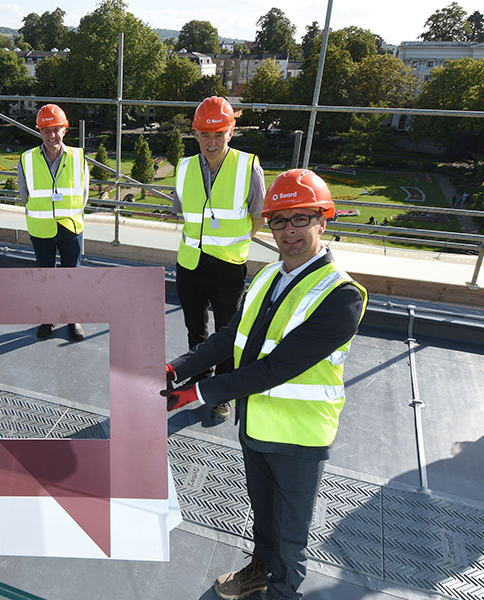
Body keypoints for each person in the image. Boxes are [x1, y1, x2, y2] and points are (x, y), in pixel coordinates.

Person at [163, 169, 367, 600]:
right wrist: (176, 368)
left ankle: (283, 592)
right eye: (279, 220)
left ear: (323, 219)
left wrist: (197, 393)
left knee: (291, 532)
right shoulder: (266, 278)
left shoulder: (341, 296)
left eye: (301, 218)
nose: (289, 231)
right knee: (263, 515)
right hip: (256, 424)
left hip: (298, 434)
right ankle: (260, 570)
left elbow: (275, 368)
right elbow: (228, 338)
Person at [171, 96, 266, 422]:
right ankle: (199, 381)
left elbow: (258, 215)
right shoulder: (184, 167)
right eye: (205, 135)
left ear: (231, 132)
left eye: (219, 135)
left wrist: (234, 242)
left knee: (228, 334)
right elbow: (182, 211)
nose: (211, 143)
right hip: (190, 263)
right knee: (195, 328)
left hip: (228, 266)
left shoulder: (247, 166)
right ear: (195, 134)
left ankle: (221, 393)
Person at [18, 103, 90, 341]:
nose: (52, 135)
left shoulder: (78, 157)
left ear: (65, 130)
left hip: (71, 226)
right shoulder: (27, 159)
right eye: (46, 130)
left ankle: (73, 318)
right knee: (45, 276)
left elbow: (84, 193)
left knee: (72, 275)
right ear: (39, 131)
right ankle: (47, 318)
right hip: (41, 228)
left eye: (56, 129)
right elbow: (25, 195)